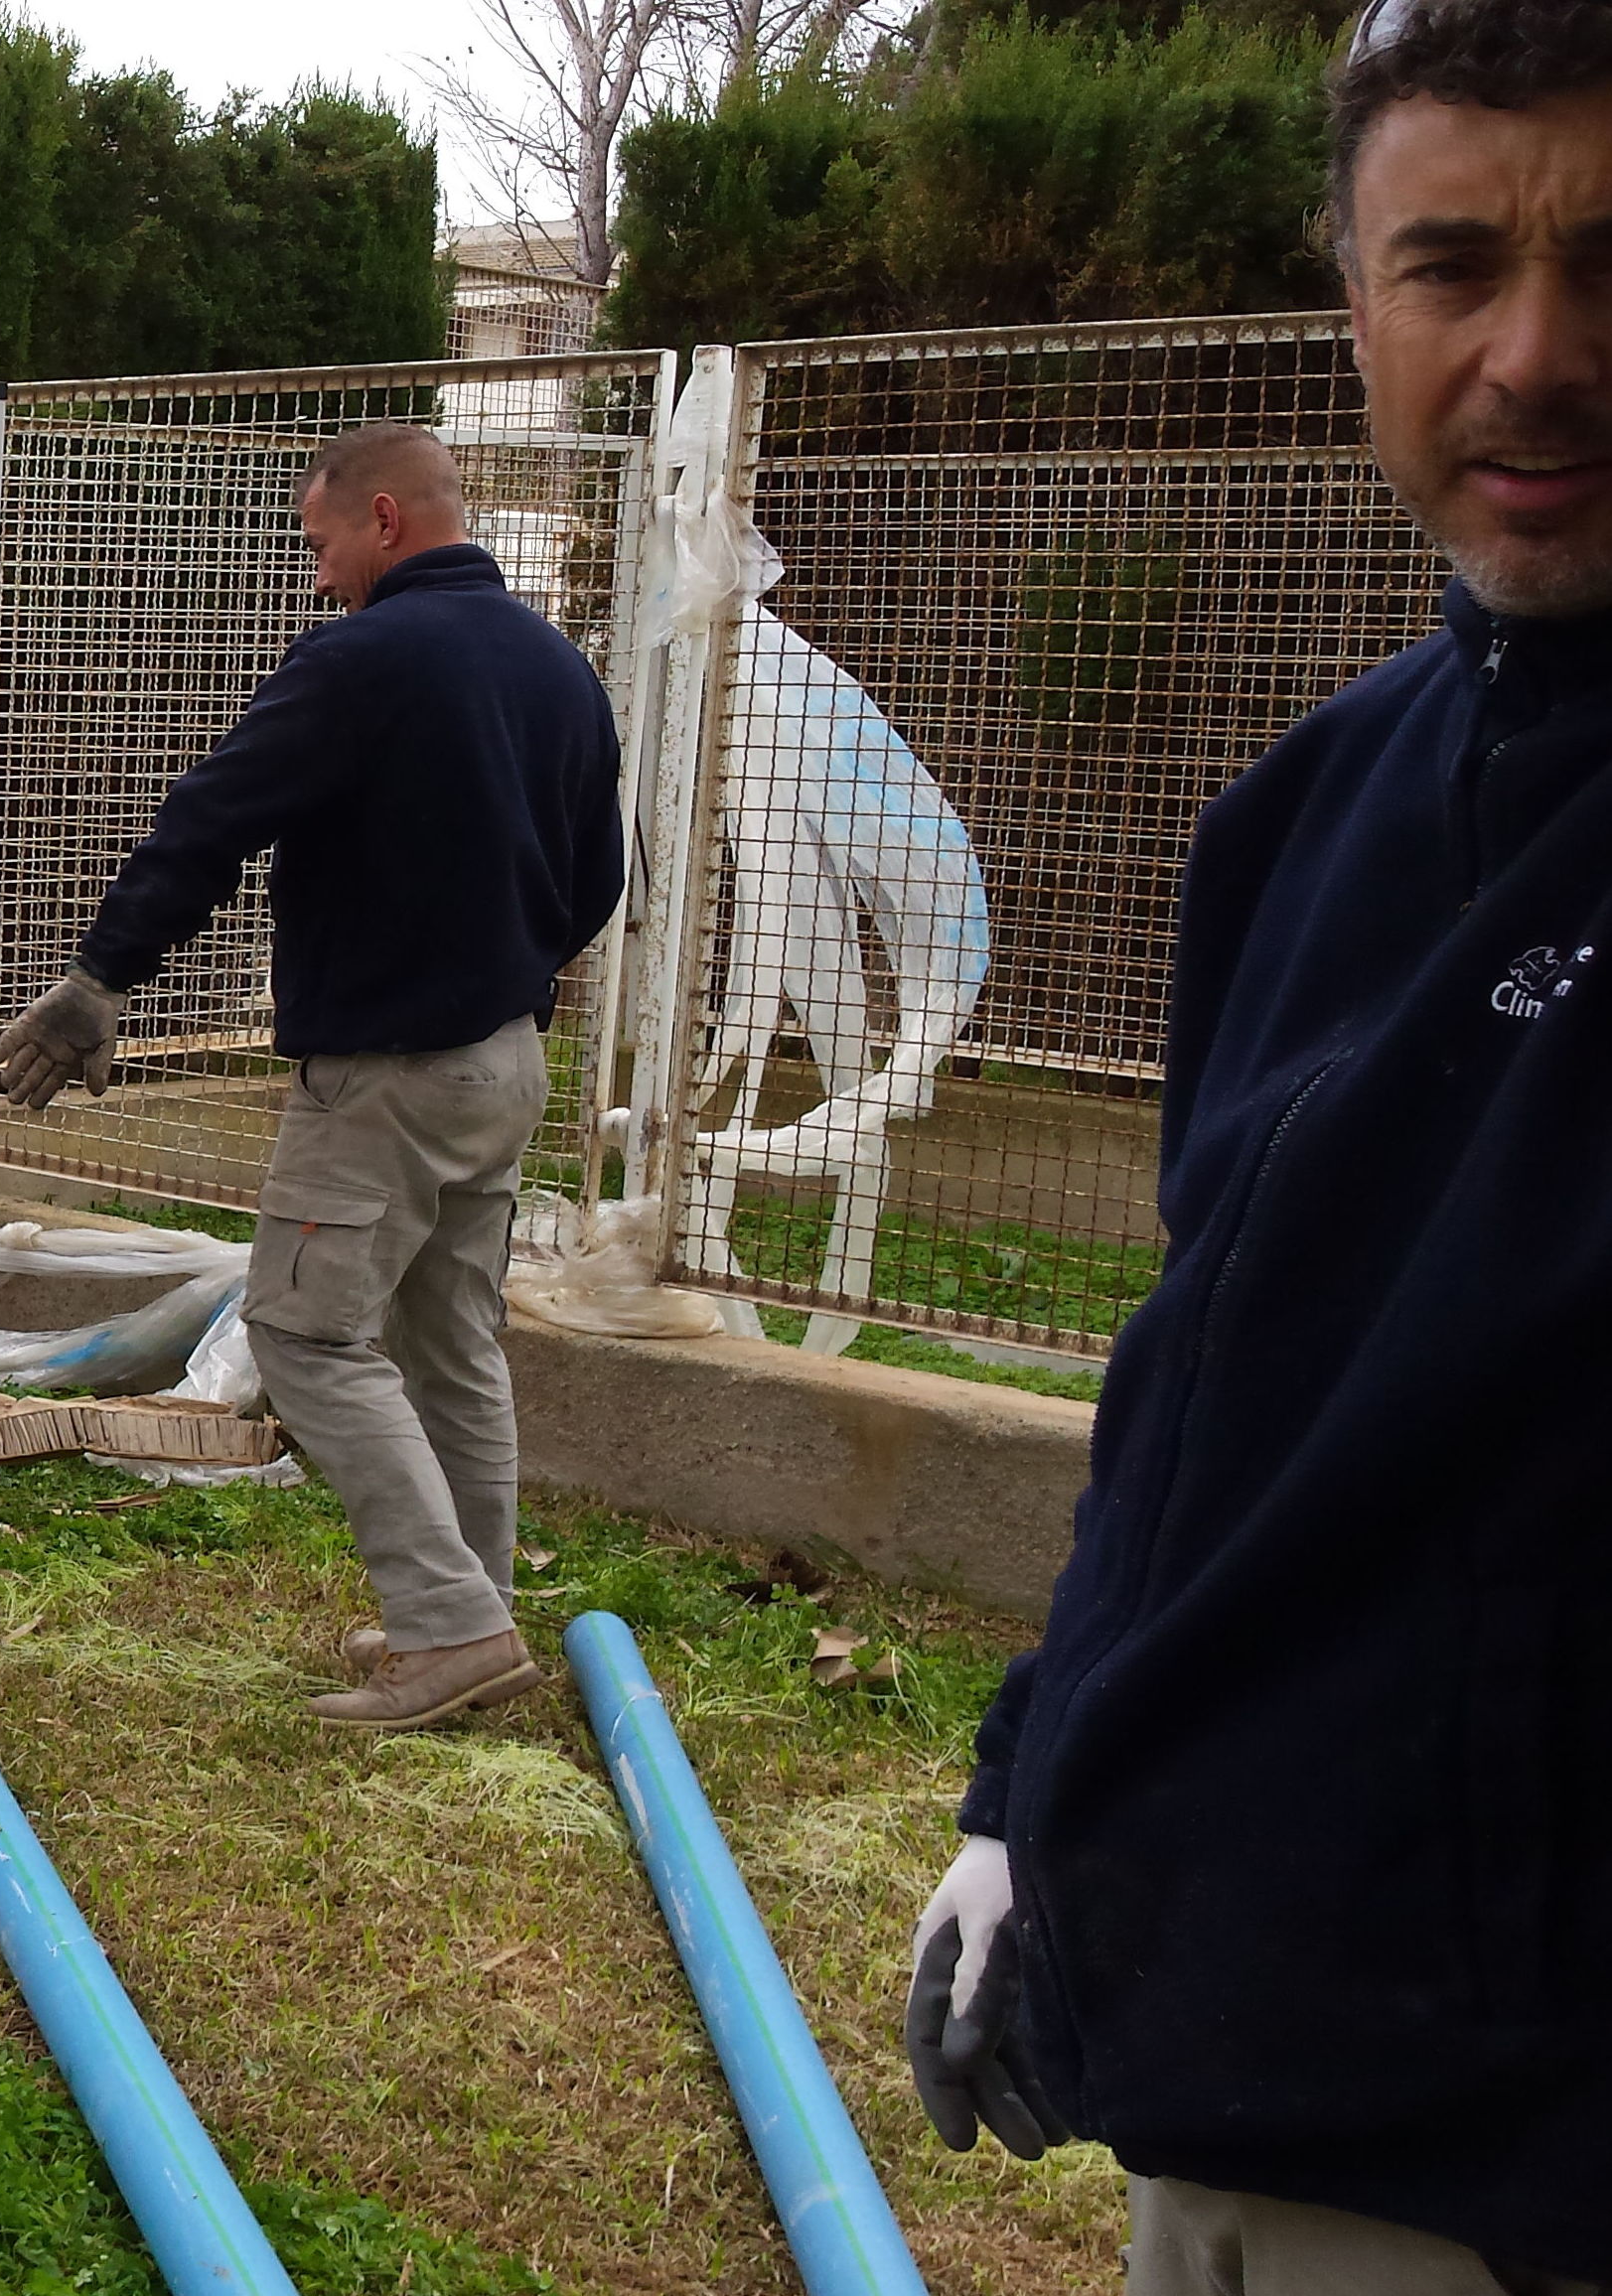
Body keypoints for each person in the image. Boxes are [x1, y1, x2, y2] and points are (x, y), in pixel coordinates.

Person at [902, 3, 1612, 2286]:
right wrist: (1031, 1788)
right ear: (1349, 304)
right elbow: (1198, 1386)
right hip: (1214, 2078)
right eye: (1452, 264)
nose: (1534, 353)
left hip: (1513, 2162)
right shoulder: (1299, 817)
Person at [0, 422, 624, 1731]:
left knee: (299, 1331)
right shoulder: (556, 668)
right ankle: (472, 1610)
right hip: (503, 1064)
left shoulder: (362, 660)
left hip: (385, 1080)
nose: (316, 574)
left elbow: (212, 817)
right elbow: (595, 878)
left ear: (383, 518)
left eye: (320, 542)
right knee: (449, 1345)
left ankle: (446, 1630)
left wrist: (100, 979)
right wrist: (497, 975)